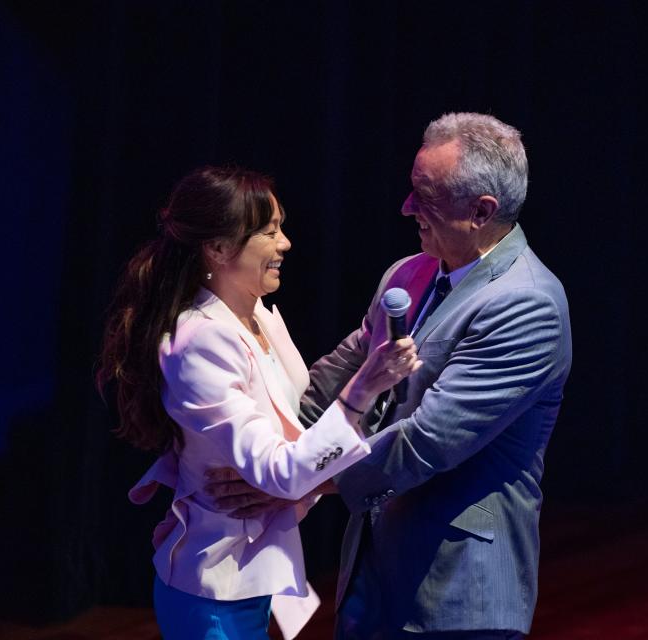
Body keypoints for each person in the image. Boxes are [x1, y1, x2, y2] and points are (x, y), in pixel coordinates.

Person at [210, 113, 571, 638]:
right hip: (372, 567)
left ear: (481, 210)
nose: (406, 208)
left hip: (456, 585)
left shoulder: (527, 303)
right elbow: (336, 375)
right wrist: (249, 446)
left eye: (424, 196)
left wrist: (298, 480)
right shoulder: (409, 273)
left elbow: (428, 440)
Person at [97, 166, 420, 640]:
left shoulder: (261, 319)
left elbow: (296, 430)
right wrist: (363, 388)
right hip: (213, 588)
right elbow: (282, 471)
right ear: (219, 248)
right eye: (268, 232)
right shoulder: (200, 341)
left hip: (251, 577)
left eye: (281, 227)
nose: (285, 243)